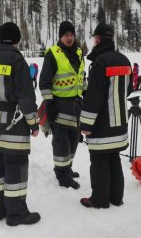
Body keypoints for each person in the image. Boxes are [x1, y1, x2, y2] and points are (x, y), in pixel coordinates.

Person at [0, 22, 41, 226]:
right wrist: (33, 124)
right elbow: (26, 97)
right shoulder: (17, 60)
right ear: (17, 40)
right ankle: (16, 214)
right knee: (15, 169)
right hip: (15, 127)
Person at [79, 23, 133, 208]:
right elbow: (129, 89)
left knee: (99, 161)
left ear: (98, 39)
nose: (94, 41)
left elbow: (94, 98)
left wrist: (85, 125)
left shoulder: (100, 63)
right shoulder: (125, 60)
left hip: (102, 124)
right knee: (114, 158)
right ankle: (116, 198)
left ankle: (100, 200)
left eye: (94, 38)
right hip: (120, 123)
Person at [39, 20, 86, 190]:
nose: (69, 38)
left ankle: (67, 168)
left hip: (75, 105)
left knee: (74, 141)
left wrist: (85, 94)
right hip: (58, 106)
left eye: (72, 35)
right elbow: (43, 82)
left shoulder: (79, 52)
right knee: (61, 142)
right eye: (66, 35)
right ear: (60, 36)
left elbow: (81, 77)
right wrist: (49, 103)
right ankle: (62, 174)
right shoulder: (53, 53)